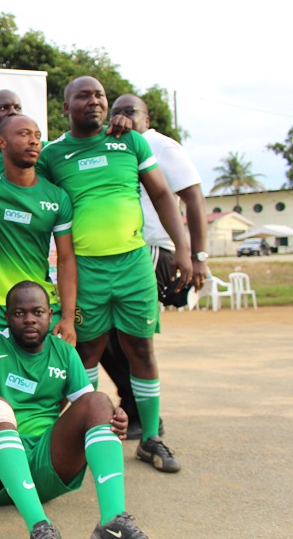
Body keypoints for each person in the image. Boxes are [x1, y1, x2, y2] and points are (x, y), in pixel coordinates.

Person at [36, 76, 191, 473]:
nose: (94, 101)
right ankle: (91, 433)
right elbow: (17, 166)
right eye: (83, 96)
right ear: (65, 107)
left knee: (141, 350)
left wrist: (186, 250)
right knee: (87, 352)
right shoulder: (54, 155)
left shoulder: (131, 142)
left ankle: (151, 437)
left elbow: (161, 195)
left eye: (100, 95)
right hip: (85, 268)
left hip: (133, 264)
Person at [0, 281, 146, 539]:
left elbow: (91, 409)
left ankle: (113, 521)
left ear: (50, 315)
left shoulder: (63, 351)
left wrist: (114, 417)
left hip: (46, 463)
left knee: (99, 402)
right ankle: (40, 527)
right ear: (7, 317)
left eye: (37, 312)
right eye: (19, 313)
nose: (29, 320)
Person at [100, 94, 208, 439]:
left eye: (130, 112)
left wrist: (195, 255)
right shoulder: (109, 145)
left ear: (147, 118)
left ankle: (144, 418)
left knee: (128, 338)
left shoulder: (160, 146)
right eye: (116, 112)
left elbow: (192, 197)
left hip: (149, 248)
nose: (123, 118)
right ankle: (134, 407)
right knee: (104, 337)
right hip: (118, 249)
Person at [0, 115, 76, 348]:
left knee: (53, 378)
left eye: (37, 136)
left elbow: (66, 259)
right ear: (2, 142)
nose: (34, 141)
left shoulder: (57, 197)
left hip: (39, 306)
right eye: (24, 134)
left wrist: (68, 317)